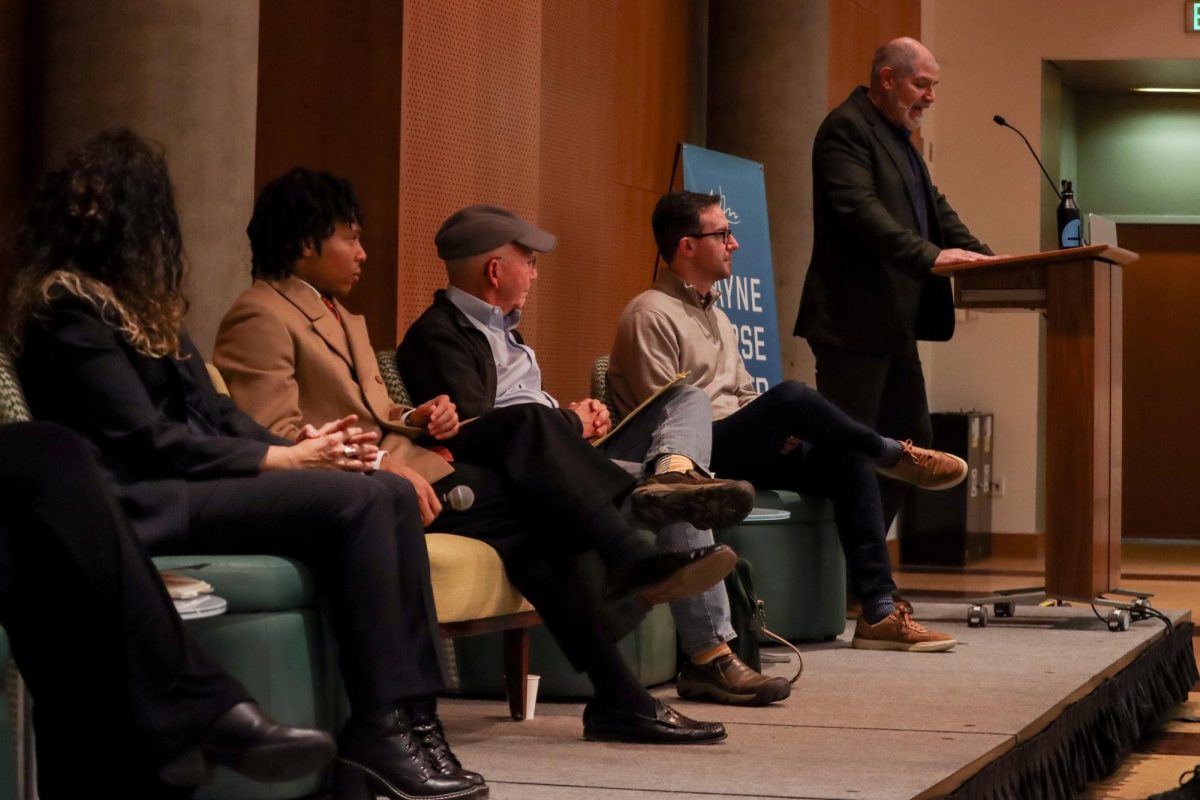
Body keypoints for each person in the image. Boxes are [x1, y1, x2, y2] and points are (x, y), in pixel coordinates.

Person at [7, 128, 486, 800]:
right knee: (356, 501)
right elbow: (143, 439)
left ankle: (411, 721)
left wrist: (311, 448)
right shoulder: (67, 310)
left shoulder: (147, 312)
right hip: (142, 499)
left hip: (193, 483)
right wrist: (280, 457)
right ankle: (381, 728)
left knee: (382, 490)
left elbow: (219, 416)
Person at [213, 167, 732, 742]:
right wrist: (384, 469)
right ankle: (627, 569)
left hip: (416, 464)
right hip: (366, 487)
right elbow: (276, 434)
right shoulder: (259, 314)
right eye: (350, 237)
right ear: (306, 243)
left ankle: (621, 681)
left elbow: (377, 412)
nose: (363, 253)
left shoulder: (343, 316)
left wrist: (415, 416)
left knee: (538, 522)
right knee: (533, 453)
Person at [398, 204, 792, 706]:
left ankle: (672, 473)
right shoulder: (438, 335)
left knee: (685, 405)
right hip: (517, 475)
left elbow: (530, 416)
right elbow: (483, 432)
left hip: (565, 454)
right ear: (495, 270)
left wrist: (575, 416)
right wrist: (568, 422)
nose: (537, 271)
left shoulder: (507, 331)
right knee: (669, 501)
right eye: (530, 260)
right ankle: (709, 655)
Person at [608, 190, 967, 653]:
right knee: (794, 396)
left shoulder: (716, 313)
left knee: (846, 456)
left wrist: (776, 431)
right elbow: (665, 418)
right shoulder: (649, 313)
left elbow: (742, 394)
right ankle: (892, 452)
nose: (734, 244)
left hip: (739, 444)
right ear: (687, 246)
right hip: (687, 462)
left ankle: (878, 610)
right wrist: (772, 420)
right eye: (722, 234)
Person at [0, 421, 334, 799]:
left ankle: (401, 727)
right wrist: (286, 455)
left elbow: (213, 411)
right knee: (47, 450)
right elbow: (144, 431)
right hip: (149, 480)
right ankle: (189, 711)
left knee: (37, 560)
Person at [794, 37, 995, 529]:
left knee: (911, 444)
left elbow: (934, 210)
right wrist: (931, 257)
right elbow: (860, 212)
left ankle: (862, 571)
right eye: (921, 85)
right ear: (887, 79)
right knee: (854, 452)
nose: (931, 97)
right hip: (851, 324)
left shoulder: (897, 136)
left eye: (934, 86)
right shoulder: (846, 129)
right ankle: (843, 575)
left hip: (891, 325)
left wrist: (989, 261)